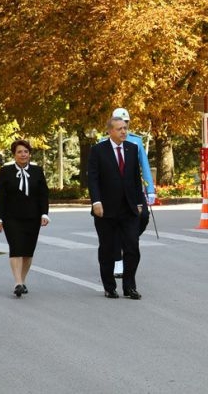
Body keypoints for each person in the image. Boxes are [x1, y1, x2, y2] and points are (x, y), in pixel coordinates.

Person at [88, 116, 145, 299]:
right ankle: (109, 286)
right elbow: (93, 179)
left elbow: (136, 177)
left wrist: (138, 202)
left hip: (128, 208)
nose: (124, 132)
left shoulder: (132, 148)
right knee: (107, 249)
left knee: (132, 248)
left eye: (125, 128)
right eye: (120, 128)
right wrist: (96, 202)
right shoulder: (98, 150)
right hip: (105, 209)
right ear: (110, 131)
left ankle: (129, 286)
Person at [0, 140, 50, 297]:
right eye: (19, 152)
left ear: (29, 153)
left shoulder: (38, 171)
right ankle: (17, 282)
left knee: (28, 252)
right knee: (16, 248)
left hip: (33, 217)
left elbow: (43, 194)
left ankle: (22, 281)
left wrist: (44, 214)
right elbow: (1, 196)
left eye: (25, 151)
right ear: (14, 154)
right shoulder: (6, 171)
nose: (23, 154)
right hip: (12, 217)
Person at [110, 108, 156, 278]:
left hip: (133, 190)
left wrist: (150, 189)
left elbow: (144, 165)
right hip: (113, 192)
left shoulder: (136, 142)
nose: (124, 127)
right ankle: (118, 261)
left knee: (143, 217)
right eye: (121, 122)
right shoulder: (103, 141)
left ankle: (126, 240)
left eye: (127, 123)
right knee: (115, 226)